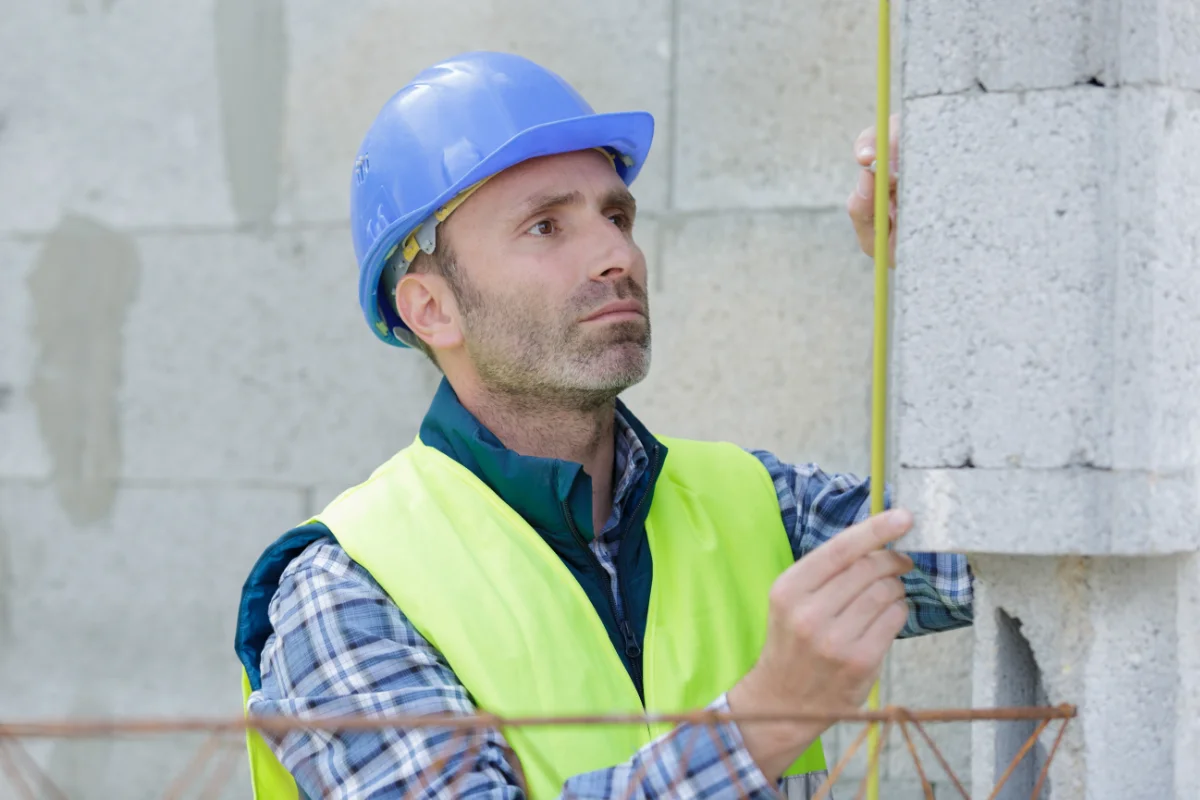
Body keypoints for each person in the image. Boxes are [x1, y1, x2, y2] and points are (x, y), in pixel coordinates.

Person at [234, 52, 969, 800]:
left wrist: (955, 252)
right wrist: (761, 727)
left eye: (616, 217)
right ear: (432, 309)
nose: (619, 255)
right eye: (546, 226)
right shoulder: (347, 584)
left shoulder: (756, 502)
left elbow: (998, 548)